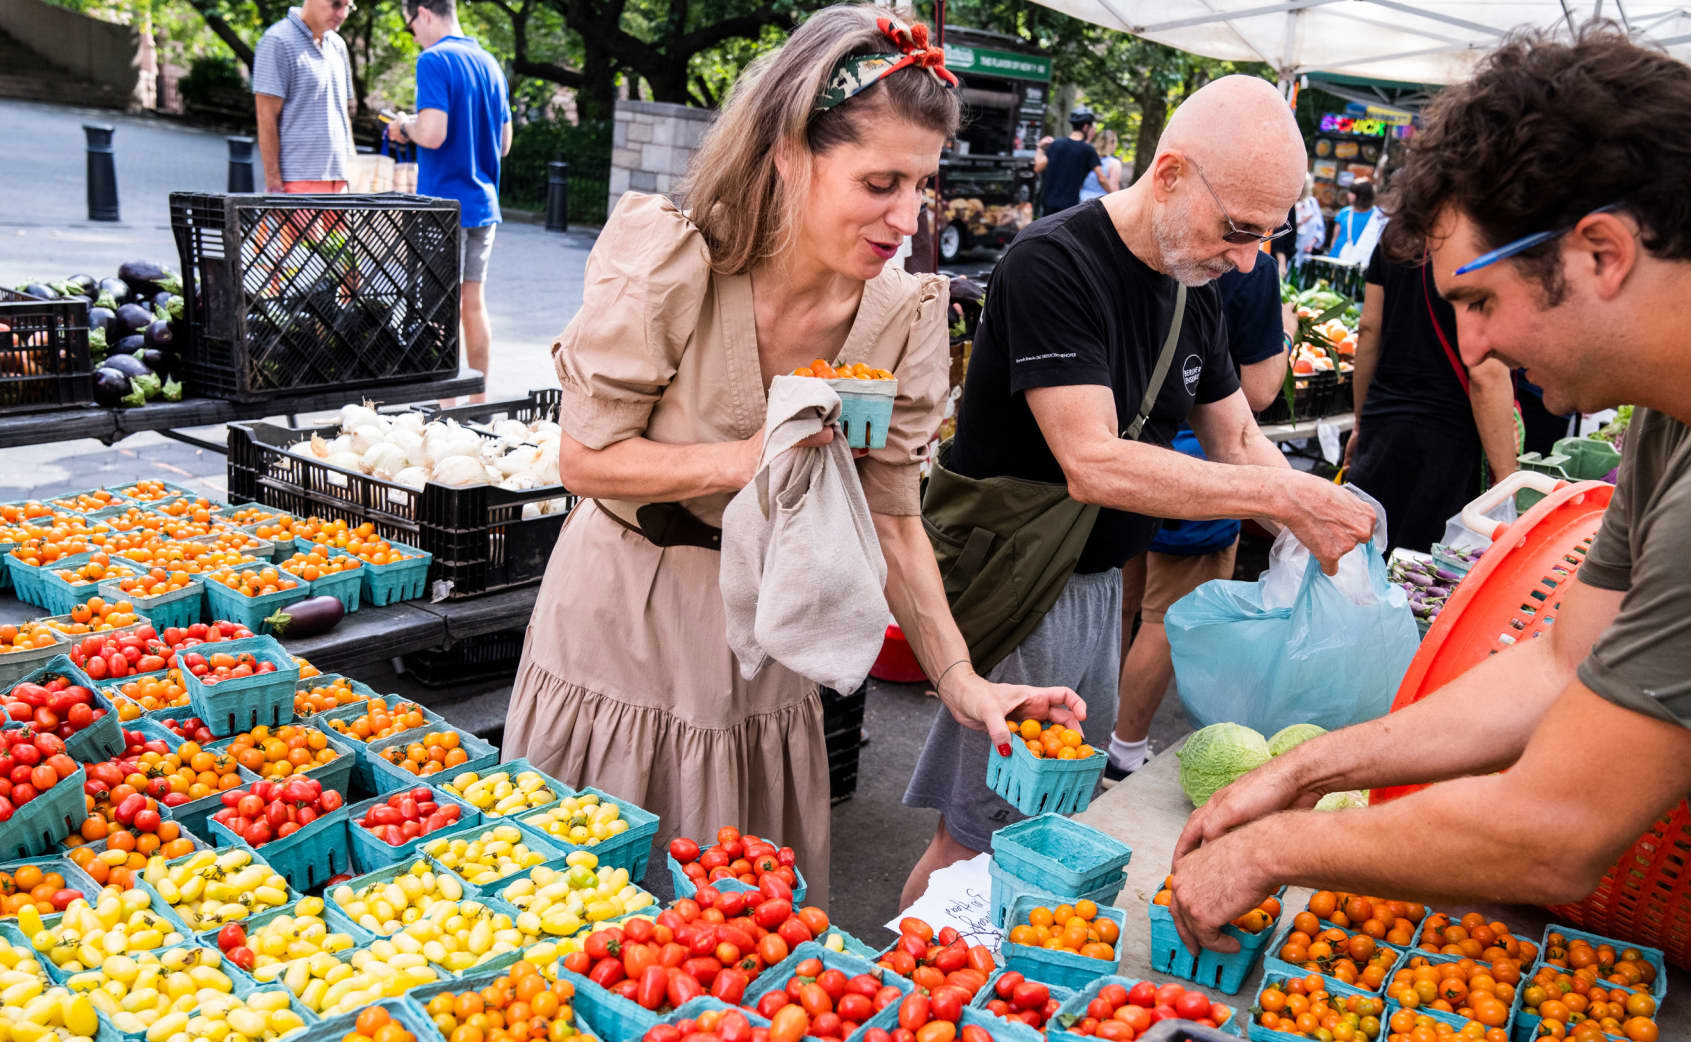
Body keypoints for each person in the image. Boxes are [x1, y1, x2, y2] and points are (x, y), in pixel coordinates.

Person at [1166, 26, 1691, 1042]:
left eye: (1476, 301)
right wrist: (1303, 773)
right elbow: (1559, 663)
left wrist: (1271, 850)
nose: (1472, 349)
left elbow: (1559, 824)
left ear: (1601, 254)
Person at [502, 7, 1085, 907]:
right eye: (880, 182)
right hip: (623, 619)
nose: (906, 217)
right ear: (788, 152)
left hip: (768, 647)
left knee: (738, 943)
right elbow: (585, 462)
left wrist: (964, 683)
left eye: (921, 187)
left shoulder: (902, 317)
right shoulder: (676, 258)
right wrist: (746, 460)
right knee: (578, 913)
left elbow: (892, 518)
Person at [901, 75, 1375, 907]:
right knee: (976, 837)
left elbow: (1235, 435)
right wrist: (1287, 503)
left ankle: (978, 996)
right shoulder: (1053, 263)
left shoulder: (1196, 287)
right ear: (1169, 175)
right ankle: (896, 999)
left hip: (1092, 589)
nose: (1247, 258)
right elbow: (1095, 461)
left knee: (1042, 824)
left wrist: (1319, 502)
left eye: (1266, 237)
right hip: (1023, 588)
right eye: (1237, 230)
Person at [1109, 248, 1295, 787]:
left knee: (1121, 600)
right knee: (1167, 618)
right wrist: (1283, 332)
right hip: (1202, 463)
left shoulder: (1146, 248)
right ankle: (1123, 748)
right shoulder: (1252, 267)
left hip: (1132, 451)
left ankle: (1092, 735)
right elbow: (1258, 393)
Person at [1343, 244, 1518, 552]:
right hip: (1448, 440)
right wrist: (1507, 480)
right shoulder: (1478, 242)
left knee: (1363, 556)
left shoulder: (1396, 234)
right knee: (1422, 573)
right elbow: (1485, 375)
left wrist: (1360, 422)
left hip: (1383, 425)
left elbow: (1369, 329)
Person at [387, 0, 512, 386]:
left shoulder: (433, 61)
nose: (414, 37)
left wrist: (404, 126)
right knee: (472, 304)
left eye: (411, 28)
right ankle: (477, 401)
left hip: (441, 209)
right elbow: (504, 143)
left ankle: (442, 408)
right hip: (483, 205)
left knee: (437, 311)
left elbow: (433, 132)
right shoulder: (490, 63)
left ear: (423, 12)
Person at [252, 0, 356, 194]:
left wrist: (353, 170)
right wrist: (274, 185)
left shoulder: (337, 45)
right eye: (335, 4)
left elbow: (343, 115)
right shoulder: (277, 41)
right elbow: (266, 118)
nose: (342, 14)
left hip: (340, 179)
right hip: (298, 180)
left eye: (347, 6)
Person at [1033, 109, 1101, 218]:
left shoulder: (1056, 144)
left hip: (1047, 202)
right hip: (1069, 206)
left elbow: (1037, 168)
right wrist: (1115, 194)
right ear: (1085, 127)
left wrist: (1040, 147)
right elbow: (1101, 178)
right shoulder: (1088, 150)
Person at [1326, 181, 1376, 262]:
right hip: (1337, 256)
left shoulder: (1376, 216)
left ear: (1361, 196)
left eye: (1352, 192)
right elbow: (1335, 238)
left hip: (1361, 259)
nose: (1348, 194)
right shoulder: (1344, 212)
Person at [1078, 129, 1124, 202]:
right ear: (1112, 143)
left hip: (1080, 201)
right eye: (1116, 142)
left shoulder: (1087, 159)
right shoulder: (1114, 163)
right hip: (1100, 205)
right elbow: (1113, 189)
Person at [1292, 180, 1325, 259]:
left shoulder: (1312, 203)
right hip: (1286, 251)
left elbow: (1320, 228)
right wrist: (1302, 221)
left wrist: (1312, 243)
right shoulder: (1289, 201)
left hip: (1304, 253)